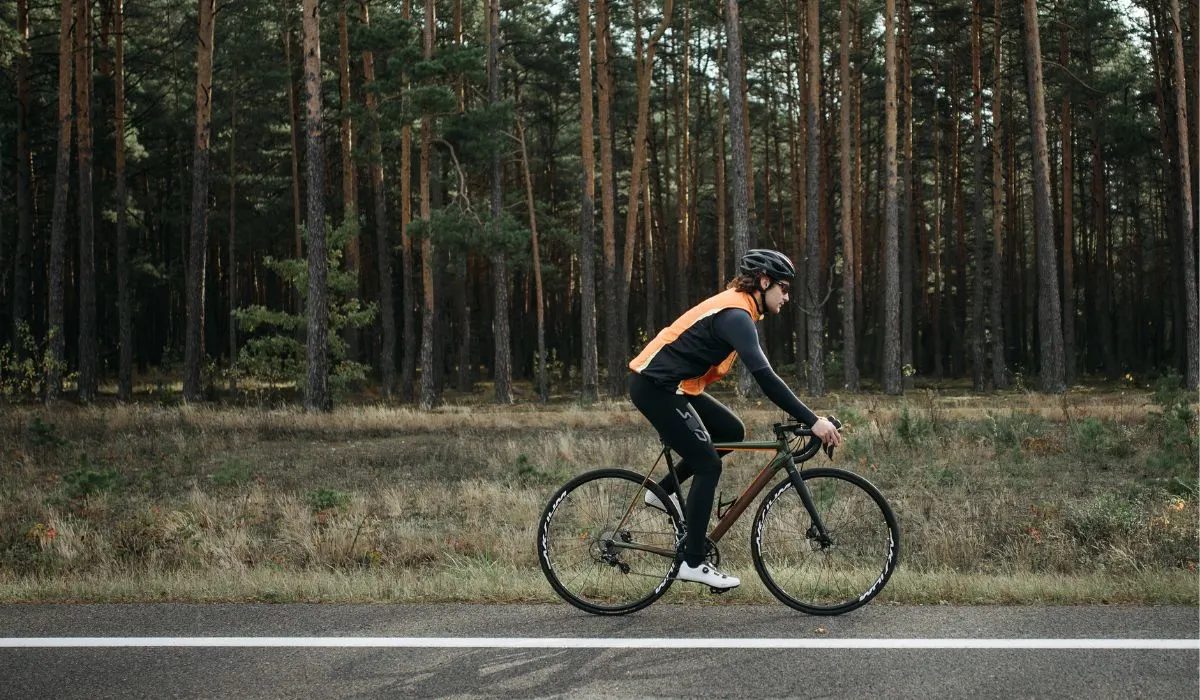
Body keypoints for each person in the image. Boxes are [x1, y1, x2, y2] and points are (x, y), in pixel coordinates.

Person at [628, 248, 842, 589]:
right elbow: (766, 376)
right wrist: (813, 420)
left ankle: (662, 493)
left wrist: (810, 417)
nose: (787, 297)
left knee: (731, 430)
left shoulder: (741, 310)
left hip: (673, 386)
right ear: (763, 281)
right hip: (656, 387)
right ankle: (693, 562)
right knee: (708, 465)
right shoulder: (735, 314)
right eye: (783, 288)